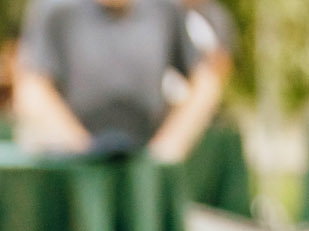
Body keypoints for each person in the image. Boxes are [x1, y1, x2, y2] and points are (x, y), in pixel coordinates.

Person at [13, 0, 221, 160]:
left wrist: (171, 144)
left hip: (143, 160)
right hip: (72, 165)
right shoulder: (56, 8)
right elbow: (32, 86)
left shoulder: (165, 8)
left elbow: (205, 80)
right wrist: (80, 146)